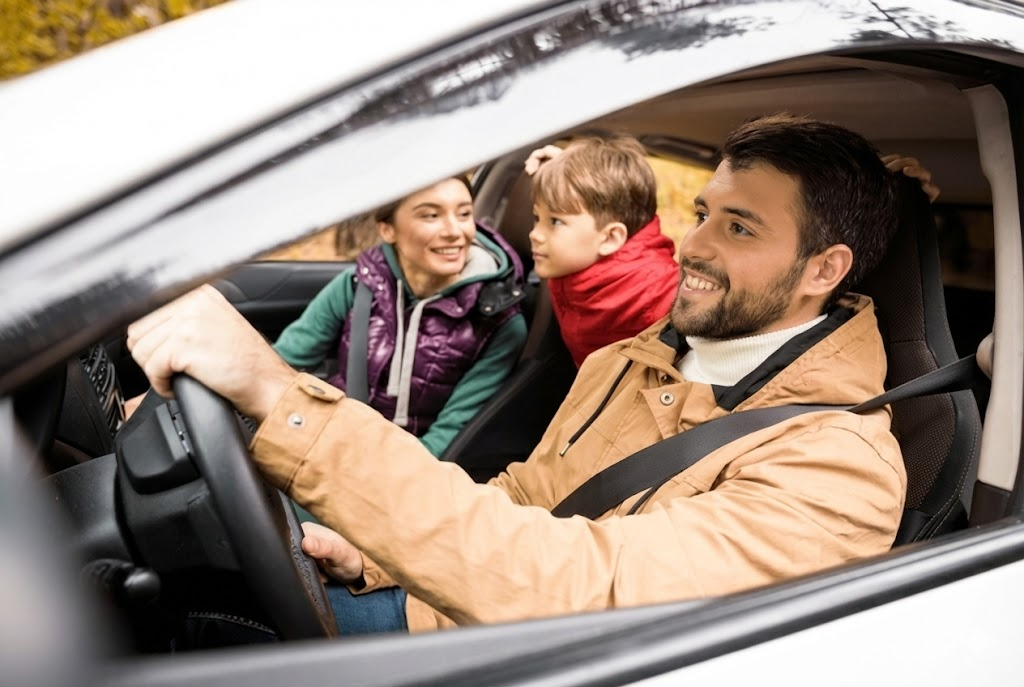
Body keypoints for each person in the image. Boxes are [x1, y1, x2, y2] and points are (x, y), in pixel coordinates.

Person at [128, 113, 918, 636]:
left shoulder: (838, 467)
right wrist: (368, 553)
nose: (694, 244)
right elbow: (525, 495)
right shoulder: (636, 355)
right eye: (704, 211)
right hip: (440, 603)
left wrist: (274, 392)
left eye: (738, 226)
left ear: (825, 268)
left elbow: (584, 595)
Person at [272, 176, 528, 458]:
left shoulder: (498, 323)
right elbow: (283, 364)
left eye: (464, 214)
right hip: (331, 442)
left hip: (404, 473)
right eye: (431, 215)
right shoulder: (360, 285)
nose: (455, 231)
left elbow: (449, 437)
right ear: (387, 229)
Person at [526, 134, 680, 367]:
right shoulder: (575, 263)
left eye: (555, 222)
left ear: (609, 237)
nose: (535, 234)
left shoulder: (655, 291)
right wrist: (569, 172)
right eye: (538, 217)